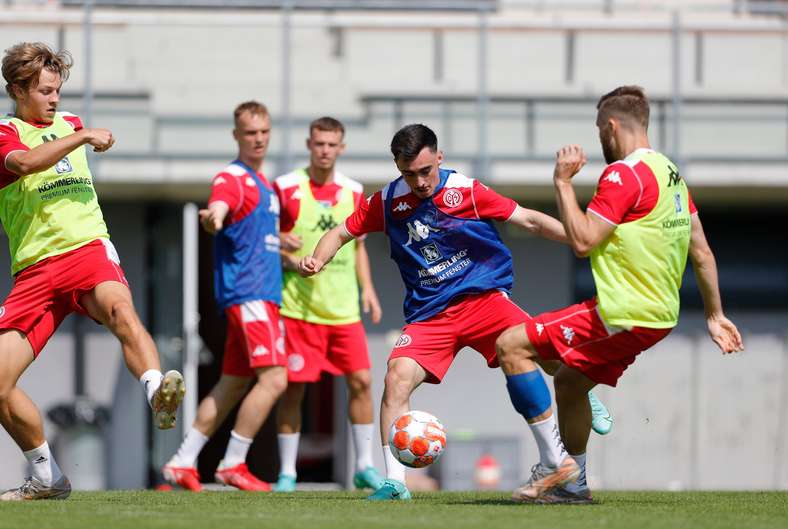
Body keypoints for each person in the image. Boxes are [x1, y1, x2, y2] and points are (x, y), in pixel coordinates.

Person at [298, 123, 610, 501]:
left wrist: (582, 239)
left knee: (549, 357)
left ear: (440, 158)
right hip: (430, 315)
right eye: (409, 174)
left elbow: (529, 219)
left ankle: (579, 399)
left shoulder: (466, 191)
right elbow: (340, 233)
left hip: (484, 301)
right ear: (398, 168)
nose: (419, 182)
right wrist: (317, 259)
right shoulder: (386, 202)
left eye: (426, 171)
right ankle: (395, 483)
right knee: (396, 378)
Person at [495, 85, 744, 504]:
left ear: (611, 126)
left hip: (622, 312)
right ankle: (574, 486)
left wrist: (562, 183)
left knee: (510, 345)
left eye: (599, 130)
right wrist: (714, 315)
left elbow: (584, 241)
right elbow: (701, 250)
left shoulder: (623, 175)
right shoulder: (670, 173)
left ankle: (555, 464)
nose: (599, 139)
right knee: (570, 382)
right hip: (657, 317)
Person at [0, 42, 184, 501]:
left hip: (87, 249)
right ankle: (47, 477)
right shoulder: (7, 132)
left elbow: (67, 137)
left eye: (57, 90)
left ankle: (157, 393)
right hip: (35, 271)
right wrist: (82, 138)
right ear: (17, 90)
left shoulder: (70, 123)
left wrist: (78, 134)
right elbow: (24, 163)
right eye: (44, 91)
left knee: (120, 310)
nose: (54, 99)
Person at [162, 101, 287, 492]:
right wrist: (214, 217)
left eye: (264, 132)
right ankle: (233, 462)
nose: (258, 139)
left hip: (258, 294)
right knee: (275, 378)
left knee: (233, 383)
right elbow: (219, 206)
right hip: (250, 295)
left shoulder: (265, 184)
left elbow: (252, 237)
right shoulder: (232, 178)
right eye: (250, 133)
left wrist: (284, 246)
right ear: (236, 136)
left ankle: (181, 461)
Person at [272, 117, 384, 492]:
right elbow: (267, 240)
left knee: (362, 382)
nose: (324, 150)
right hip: (298, 309)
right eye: (319, 143)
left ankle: (364, 466)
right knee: (294, 390)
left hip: (343, 311)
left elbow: (359, 245)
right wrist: (286, 253)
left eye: (331, 144)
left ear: (342, 148)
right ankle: (287, 472)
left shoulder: (354, 191)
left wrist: (368, 289)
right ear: (309, 144)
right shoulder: (286, 187)